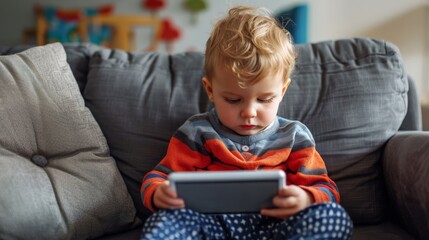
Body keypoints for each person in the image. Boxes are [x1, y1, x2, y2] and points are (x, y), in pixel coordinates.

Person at [140, 6, 353, 240]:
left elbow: (326, 189)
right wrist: (159, 193)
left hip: (277, 227)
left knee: (333, 216)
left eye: (264, 99)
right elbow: (158, 178)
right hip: (211, 226)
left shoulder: (295, 136)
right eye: (233, 100)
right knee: (163, 223)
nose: (249, 112)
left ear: (282, 91)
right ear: (210, 90)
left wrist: (306, 199)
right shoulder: (196, 132)